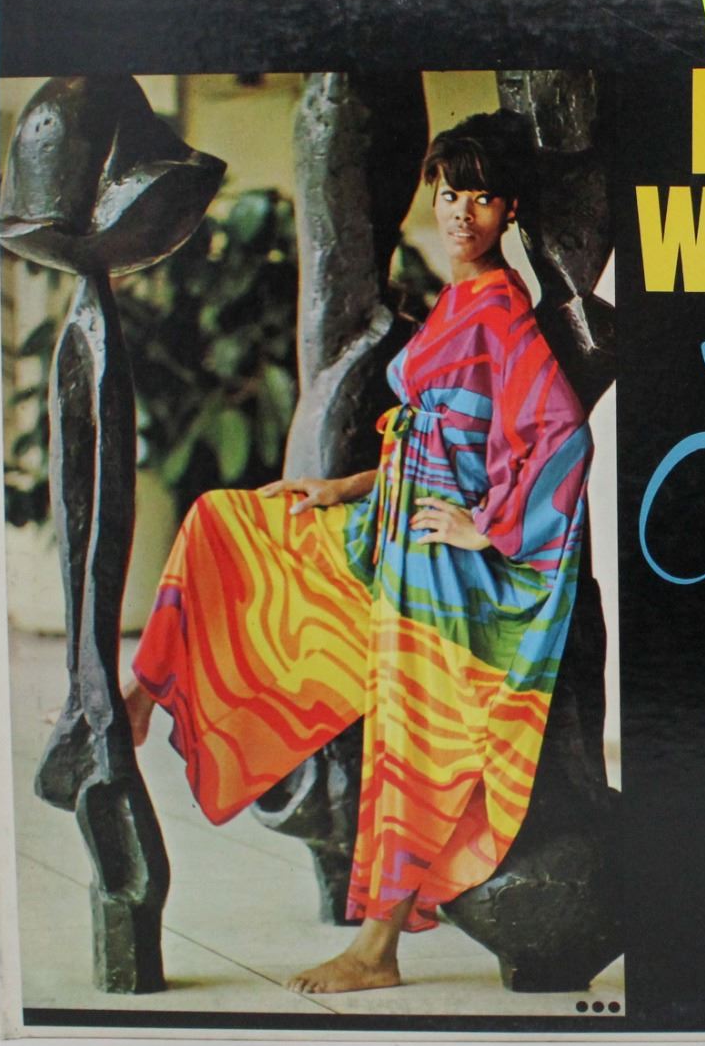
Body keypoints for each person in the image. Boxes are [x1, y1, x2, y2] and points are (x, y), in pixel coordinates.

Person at [122, 111, 592, 994]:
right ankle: (146, 688)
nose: (460, 213)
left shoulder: (500, 310)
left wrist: (487, 528)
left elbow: (561, 434)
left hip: (441, 569)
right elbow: (432, 439)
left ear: (509, 212)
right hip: (390, 531)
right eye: (449, 194)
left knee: (414, 745)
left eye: (482, 198)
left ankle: (376, 951)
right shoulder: (455, 301)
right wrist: (340, 487)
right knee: (227, 523)